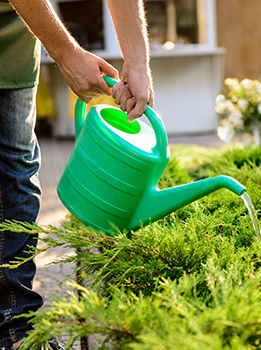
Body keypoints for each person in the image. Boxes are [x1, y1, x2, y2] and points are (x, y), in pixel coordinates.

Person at [0, 0, 153, 348]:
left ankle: (16, 327)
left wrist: (138, 62)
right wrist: (67, 54)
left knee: (17, 172)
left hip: (16, 27)